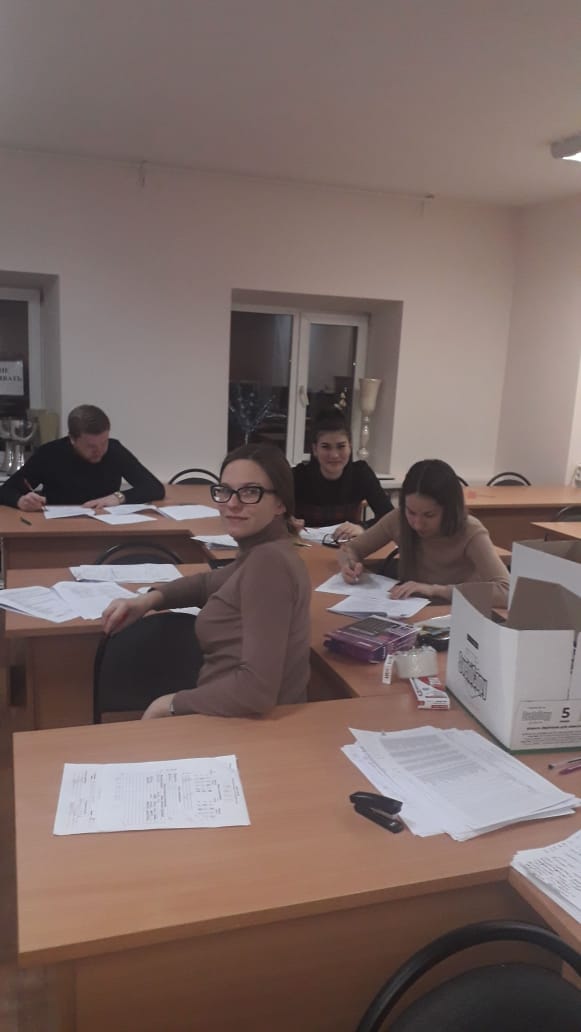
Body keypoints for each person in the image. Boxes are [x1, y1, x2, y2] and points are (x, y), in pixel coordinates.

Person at [102, 442, 312, 718]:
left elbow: (255, 693)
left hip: (242, 726)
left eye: (250, 492)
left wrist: (169, 704)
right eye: (225, 491)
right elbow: (206, 584)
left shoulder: (269, 563)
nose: (232, 503)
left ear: (280, 503)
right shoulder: (263, 551)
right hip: (232, 714)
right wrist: (148, 600)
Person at [339, 458, 509, 606]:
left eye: (429, 515)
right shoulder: (398, 518)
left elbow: (507, 592)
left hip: (454, 614)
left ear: (450, 509)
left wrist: (436, 590)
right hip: (408, 610)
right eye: (411, 512)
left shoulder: (470, 531)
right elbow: (350, 548)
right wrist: (349, 565)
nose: (418, 524)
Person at [0, 404, 164, 510]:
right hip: (58, 530)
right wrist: (20, 501)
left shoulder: (115, 450)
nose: (99, 451)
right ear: (72, 439)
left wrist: (118, 497)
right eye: (91, 446)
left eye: (104, 442)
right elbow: (5, 491)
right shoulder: (49, 453)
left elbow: (154, 487)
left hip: (106, 527)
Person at [292, 410, 393, 540]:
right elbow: (276, 516)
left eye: (341, 446)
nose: (334, 455)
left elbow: (389, 516)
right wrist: (288, 523)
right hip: (306, 547)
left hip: (348, 547)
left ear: (350, 447)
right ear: (315, 449)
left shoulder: (361, 474)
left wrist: (363, 527)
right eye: (326, 447)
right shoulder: (298, 476)